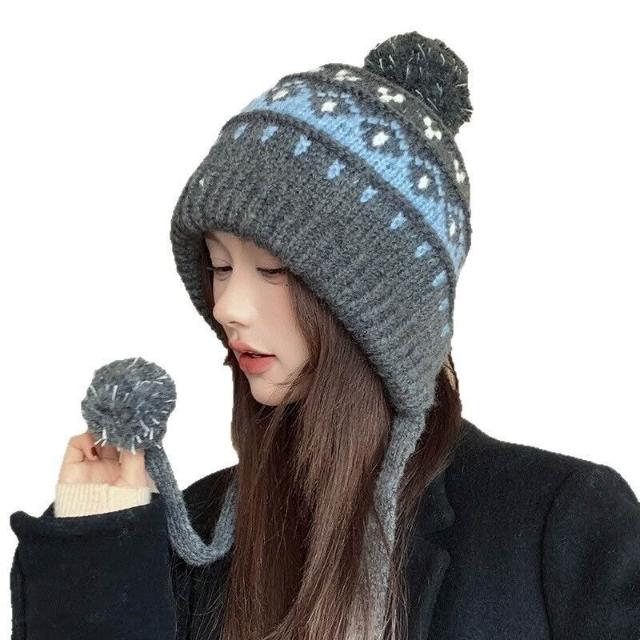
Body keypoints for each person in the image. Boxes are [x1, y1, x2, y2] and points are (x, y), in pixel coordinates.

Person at [9, 31, 640, 640]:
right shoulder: (189, 537)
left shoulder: (562, 523)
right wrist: (98, 544)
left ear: (383, 307)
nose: (227, 307)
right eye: (220, 266)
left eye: (273, 270)